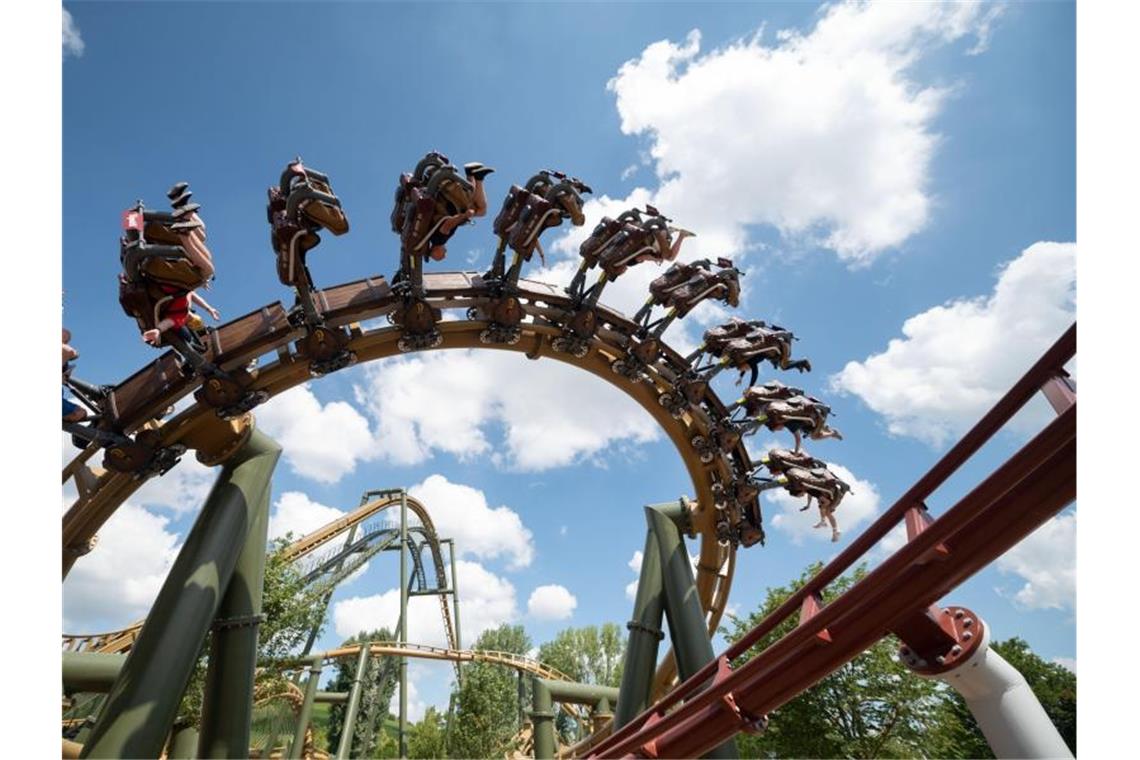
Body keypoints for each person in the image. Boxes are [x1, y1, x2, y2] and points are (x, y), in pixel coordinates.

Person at [425, 163, 494, 261]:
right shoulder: (433, 239)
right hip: (451, 207)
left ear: (434, 252)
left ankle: (478, 177)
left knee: (481, 208)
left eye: (438, 258)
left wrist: (464, 216)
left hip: (453, 206)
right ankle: (471, 173)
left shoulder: (438, 240)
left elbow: (446, 225)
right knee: (480, 211)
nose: (445, 256)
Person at [141, 288, 217, 348]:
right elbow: (169, 322)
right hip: (174, 292)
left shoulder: (179, 317)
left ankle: (199, 337)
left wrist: (158, 330)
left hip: (173, 301)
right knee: (189, 337)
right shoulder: (183, 309)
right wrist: (209, 309)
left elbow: (167, 323)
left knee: (191, 330)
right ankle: (197, 339)